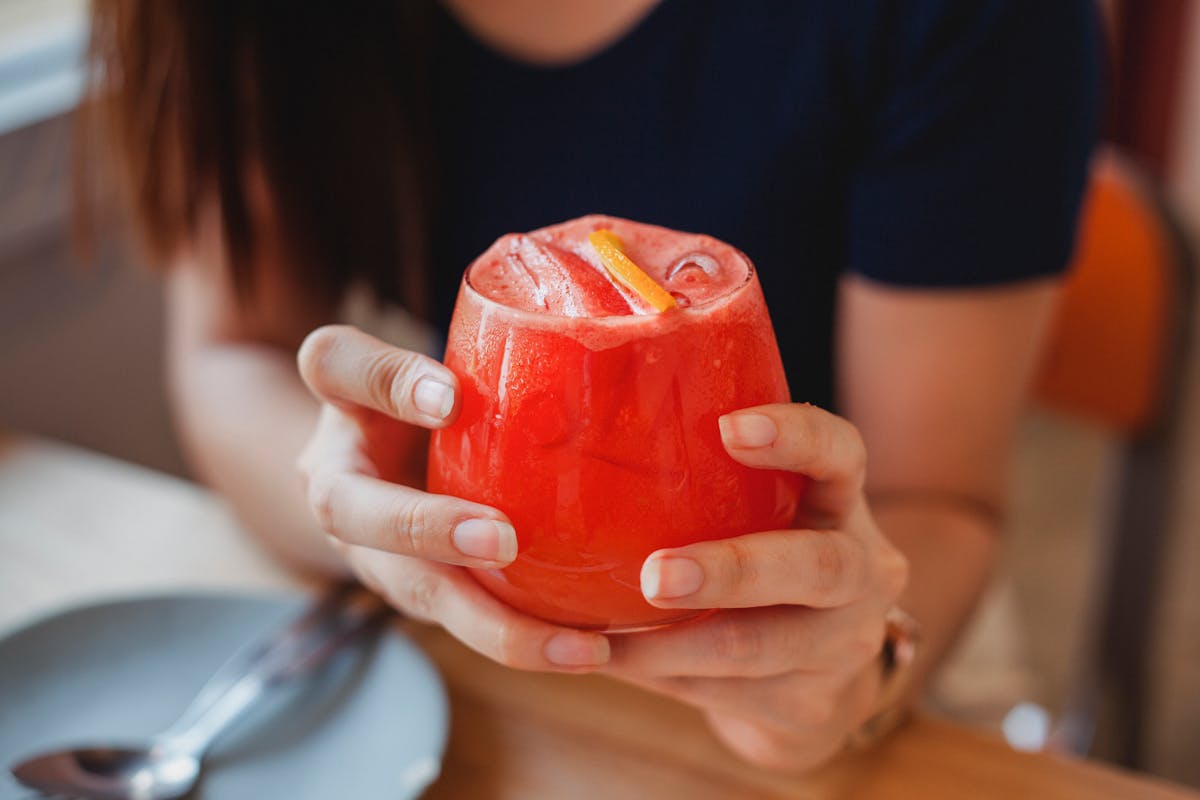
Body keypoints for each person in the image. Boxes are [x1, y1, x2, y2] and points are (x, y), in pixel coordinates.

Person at [85, 0, 1100, 771]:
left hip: (842, 615)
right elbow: (236, 353)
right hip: (454, 663)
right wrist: (369, 510)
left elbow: (942, 500)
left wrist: (858, 670)